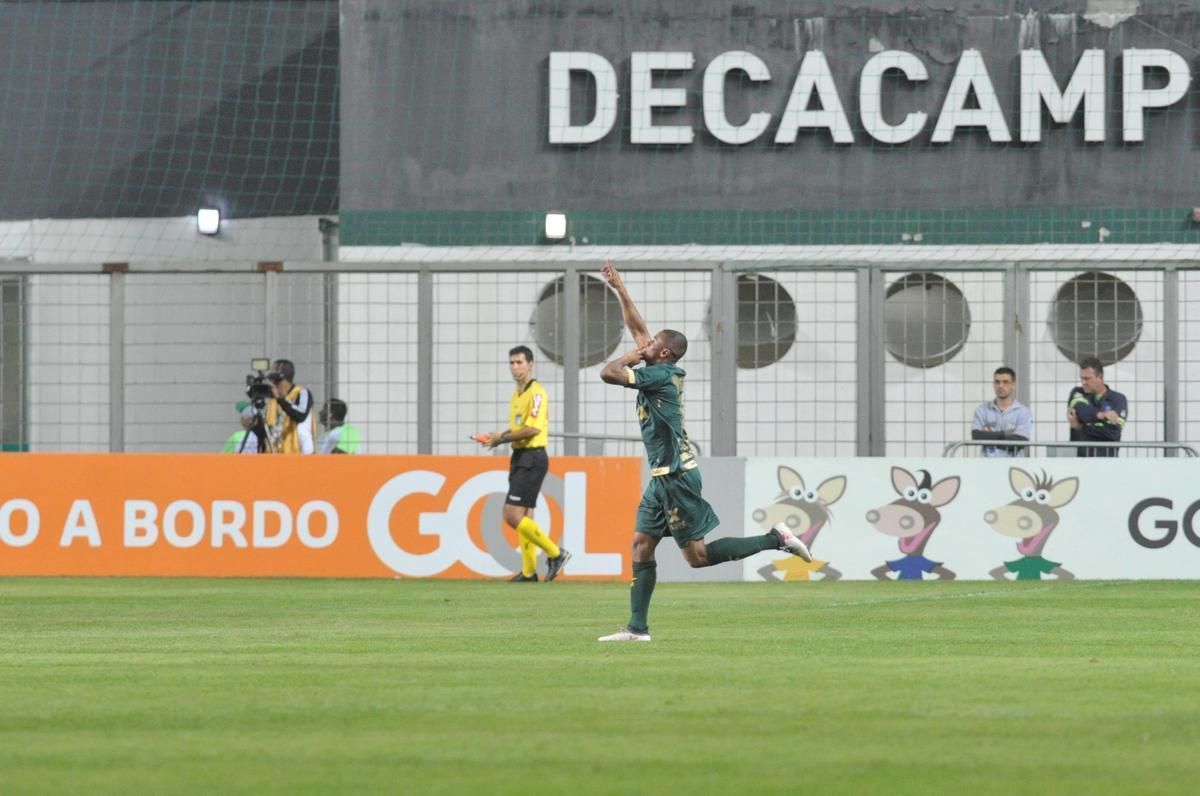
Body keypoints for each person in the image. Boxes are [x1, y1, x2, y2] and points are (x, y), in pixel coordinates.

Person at [596, 261, 812, 642]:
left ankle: (776, 539)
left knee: (697, 558)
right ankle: (637, 629)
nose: (643, 347)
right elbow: (639, 329)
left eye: (650, 347)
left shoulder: (660, 376)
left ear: (662, 354)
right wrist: (620, 288)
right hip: (661, 477)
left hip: (677, 476)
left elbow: (609, 372)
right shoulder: (660, 364)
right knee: (641, 544)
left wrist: (630, 356)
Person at [475, 345, 571, 582]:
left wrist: (503, 438)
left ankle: (555, 553)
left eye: (519, 362)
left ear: (530, 364)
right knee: (526, 514)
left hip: (533, 456)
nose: (515, 367)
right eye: (512, 363)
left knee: (511, 514)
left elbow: (533, 428)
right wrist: (497, 439)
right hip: (520, 456)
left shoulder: (536, 393)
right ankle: (529, 572)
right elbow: (519, 428)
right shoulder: (517, 395)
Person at [1066, 357, 1127, 457]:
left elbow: (1113, 433)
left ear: (1100, 377)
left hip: (1106, 462)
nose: (1083, 382)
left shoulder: (1118, 399)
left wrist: (1080, 427)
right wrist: (1101, 415)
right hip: (1079, 461)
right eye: (1082, 378)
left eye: (1087, 378)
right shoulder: (1077, 392)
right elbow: (1081, 410)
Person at [970, 366, 1033, 457]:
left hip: (1013, 464)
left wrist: (989, 436)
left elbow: (1020, 442)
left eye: (1005, 382)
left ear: (1013, 385)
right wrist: (1005, 434)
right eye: (997, 382)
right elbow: (976, 436)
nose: (1000, 386)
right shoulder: (982, 410)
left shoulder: (1023, 412)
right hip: (986, 465)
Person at [264, 359, 316, 454]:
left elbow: (300, 415)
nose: (269, 378)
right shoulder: (272, 400)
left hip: (297, 455)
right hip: (275, 455)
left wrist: (281, 399)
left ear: (280, 376)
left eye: (272, 373)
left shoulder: (301, 393)